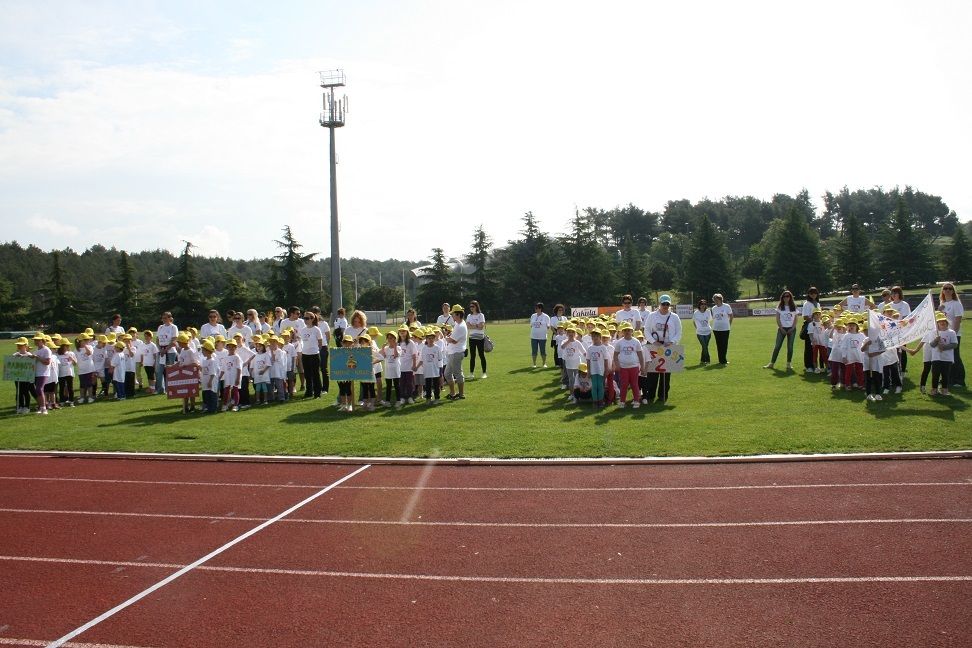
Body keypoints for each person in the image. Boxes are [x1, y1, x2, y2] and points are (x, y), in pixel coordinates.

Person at [643, 295, 682, 403]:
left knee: (666, 374)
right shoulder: (652, 316)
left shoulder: (674, 317)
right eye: (663, 304)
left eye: (667, 304)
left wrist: (672, 342)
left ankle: (663, 395)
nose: (665, 306)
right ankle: (650, 395)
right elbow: (646, 330)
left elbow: (679, 332)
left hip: (668, 347)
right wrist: (653, 341)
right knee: (652, 373)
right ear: (659, 304)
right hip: (654, 346)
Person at [763, 290, 799, 371]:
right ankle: (771, 363)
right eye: (784, 296)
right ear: (782, 298)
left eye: (788, 296)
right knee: (777, 346)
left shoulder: (794, 306)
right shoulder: (780, 307)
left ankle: (789, 364)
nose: (786, 298)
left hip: (792, 329)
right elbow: (777, 318)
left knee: (790, 347)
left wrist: (792, 328)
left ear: (790, 297)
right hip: (782, 329)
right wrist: (781, 328)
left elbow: (796, 319)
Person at [938, 282, 964, 388]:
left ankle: (959, 381)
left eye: (950, 288)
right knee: (946, 357)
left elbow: (958, 320)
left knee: (955, 356)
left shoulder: (956, 303)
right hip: (944, 334)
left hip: (954, 334)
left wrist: (952, 334)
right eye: (945, 288)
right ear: (943, 291)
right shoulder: (942, 304)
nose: (947, 290)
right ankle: (947, 379)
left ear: (953, 291)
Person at [613, 322, 644, 408]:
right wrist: (617, 365)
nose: (627, 332)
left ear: (632, 331)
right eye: (625, 330)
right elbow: (615, 355)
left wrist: (642, 366)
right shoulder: (619, 342)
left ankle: (636, 401)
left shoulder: (636, 341)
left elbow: (640, 355)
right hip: (623, 367)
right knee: (624, 384)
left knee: (634, 384)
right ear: (622, 331)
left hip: (634, 367)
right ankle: (622, 401)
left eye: (629, 330)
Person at [929, 311, 958, 396]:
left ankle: (944, 389)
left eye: (943, 321)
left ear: (946, 322)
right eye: (940, 321)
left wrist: (944, 347)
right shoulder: (933, 332)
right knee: (935, 374)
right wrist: (936, 340)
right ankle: (934, 389)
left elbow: (955, 344)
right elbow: (932, 344)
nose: (942, 323)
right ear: (937, 323)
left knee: (945, 374)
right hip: (936, 357)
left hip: (947, 358)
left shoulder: (951, 332)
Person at [299, 312, 325, 399]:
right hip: (305, 354)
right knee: (307, 374)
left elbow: (320, 343)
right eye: (304, 318)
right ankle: (309, 392)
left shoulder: (316, 329)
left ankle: (317, 392)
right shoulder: (303, 330)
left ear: (312, 319)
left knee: (315, 374)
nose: (305, 320)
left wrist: (316, 350)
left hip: (314, 354)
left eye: (307, 318)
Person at [444, 305, 468, 400]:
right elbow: (453, 337)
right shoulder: (458, 324)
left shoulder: (460, 326)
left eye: (453, 314)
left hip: (456, 353)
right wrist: (448, 335)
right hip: (453, 352)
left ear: (458, 314)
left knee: (458, 374)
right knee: (447, 374)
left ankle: (461, 394)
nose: (452, 316)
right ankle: (453, 393)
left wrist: (444, 336)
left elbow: (453, 340)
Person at [559, 326, 587, 404]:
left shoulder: (577, 342)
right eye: (569, 332)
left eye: (572, 332)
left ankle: (577, 395)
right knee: (571, 380)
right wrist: (569, 341)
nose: (571, 334)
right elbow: (562, 347)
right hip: (568, 364)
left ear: (575, 334)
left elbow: (584, 352)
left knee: (577, 379)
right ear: (567, 333)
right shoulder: (565, 341)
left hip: (577, 364)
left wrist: (588, 359)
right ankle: (572, 394)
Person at [156, 312, 179, 395]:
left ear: (170, 318)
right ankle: (160, 389)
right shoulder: (160, 327)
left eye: (165, 318)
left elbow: (174, 340)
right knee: (159, 370)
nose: (164, 320)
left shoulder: (173, 327)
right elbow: (157, 339)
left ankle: (170, 388)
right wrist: (160, 349)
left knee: (170, 370)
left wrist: (165, 350)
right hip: (161, 351)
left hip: (170, 351)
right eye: (163, 318)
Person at [890, 286, 911, 372]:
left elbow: (906, 318)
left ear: (900, 294)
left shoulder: (904, 304)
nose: (894, 295)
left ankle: (902, 369)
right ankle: (894, 369)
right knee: (892, 350)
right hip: (891, 332)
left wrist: (900, 326)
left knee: (902, 350)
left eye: (896, 293)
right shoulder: (889, 305)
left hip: (901, 331)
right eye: (892, 293)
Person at [801, 287, 822, 373]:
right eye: (811, 293)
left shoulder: (817, 303)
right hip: (810, 326)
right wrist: (814, 322)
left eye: (815, 293)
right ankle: (808, 366)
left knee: (816, 347)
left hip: (818, 327)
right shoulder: (807, 304)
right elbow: (805, 316)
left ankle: (815, 365)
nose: (813, 295)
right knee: (809, 347)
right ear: (808, 294)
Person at [419, 328, 443, 404]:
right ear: (426, 339)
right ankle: (428, 398)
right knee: (428, 385)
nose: (431, 340)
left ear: (434, 338)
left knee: (436, 385)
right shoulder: (424, 348)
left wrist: (440, 369)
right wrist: (417, 366)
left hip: (435, 370)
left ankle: (437, 398)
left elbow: (440, 358)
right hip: (427, 370)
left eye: (432, 338)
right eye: (429, 338)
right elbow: (422, 359)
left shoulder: (437, 348)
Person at [380, 331, 403, 407]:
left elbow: (396, 355)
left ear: (395, 339)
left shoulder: (399, 347)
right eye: (389, 338)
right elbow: (382, 356)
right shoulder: (386, 348)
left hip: (396, 370)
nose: (390, 340)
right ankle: (387, 401)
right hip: (388, 371)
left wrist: (395, 347)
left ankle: (398, 400)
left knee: (397, 386)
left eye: (392, 338)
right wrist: (383, 348)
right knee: (388, 386)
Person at [710, 293, 733, 365]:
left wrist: (729, 324)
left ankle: (724, 360)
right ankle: (721, 360)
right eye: (714, 300)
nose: (715, 301)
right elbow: (713, 318)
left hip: (725, 328)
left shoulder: (726, 306)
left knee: (724, 344)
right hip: (716, 329)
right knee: (719, 345)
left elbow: (731, 316)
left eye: (716, 300)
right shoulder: (713, 308)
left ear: (720, 299)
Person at [466, 300, 487, 379]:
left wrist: (473, 325)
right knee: (472, 356)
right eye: (470, 306)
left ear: (476, 307)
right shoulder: (469, 316)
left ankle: (484, 373)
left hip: (480, 338)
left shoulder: (481, 315)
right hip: (472, 338)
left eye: (473, 306)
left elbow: (481, 326)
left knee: (481, 355)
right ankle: (471, 373)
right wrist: (476, 325)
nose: (471, 308)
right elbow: (468, 326)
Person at [529, 302, 550, 368]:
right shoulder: (533, 316)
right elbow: (531, 325)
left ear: (541, 308)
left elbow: (548, 326)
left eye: (537, 308)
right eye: (535, 308)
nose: (536, 309)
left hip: (542, 337)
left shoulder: (546, 316)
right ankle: (534, 364)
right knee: (534, 351)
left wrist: (544, 331)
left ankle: (544, 363)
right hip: (533, 336)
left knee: (543, 350)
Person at [692, 298, 712, 365]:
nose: (703, 305)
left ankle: (702, 360)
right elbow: (694, 321)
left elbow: (710, 320)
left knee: (705, 346)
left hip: (708, 332)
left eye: (704, 304)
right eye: (702, 304)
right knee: (704, 346)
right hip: (700, 333)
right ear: (699, 305)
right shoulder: (696, 312)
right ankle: (708, 360)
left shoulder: (708, 311)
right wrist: (697, 328)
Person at [549, 304, 567, 368]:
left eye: (562, 310)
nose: (561, 311)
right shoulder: (553, 318)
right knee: (556, 350)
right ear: (556, 310)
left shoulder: (564, 318)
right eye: (559, 310)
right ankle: (557, 364)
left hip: (564, 336)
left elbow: (566, 327)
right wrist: (557, 334)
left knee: (564, 350)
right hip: (556, 336)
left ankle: (564, 363)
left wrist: (564, 334)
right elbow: (552, 327)